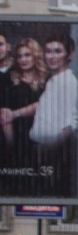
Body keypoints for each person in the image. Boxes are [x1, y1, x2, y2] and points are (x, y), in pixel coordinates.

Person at [29, 36, 78, 191]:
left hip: (51, 155)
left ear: (69, 54)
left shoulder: (67, 82)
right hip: (41, 152)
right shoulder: (54, 81)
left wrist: (48, 151)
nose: (51, 56)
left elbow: (70, 126)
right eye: (48, 51)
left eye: (57, 51)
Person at [0, 37, 45, 175]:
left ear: (35, 55)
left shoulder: (46, 78)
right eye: (19, 56)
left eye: (27, 55)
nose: (23, 59)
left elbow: (46, 104)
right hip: (16, 135)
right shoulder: (8, 78)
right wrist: (12, 150)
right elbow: (4, 113)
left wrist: (17, 113)